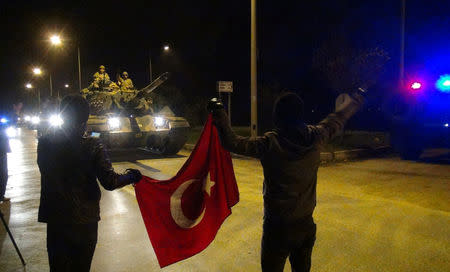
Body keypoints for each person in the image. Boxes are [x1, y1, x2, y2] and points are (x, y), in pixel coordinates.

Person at [208, 88, 366, 272]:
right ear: (300, 114)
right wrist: (357, 99)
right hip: (305, 225)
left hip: (277, 229)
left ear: (277, 117)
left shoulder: (269, 144)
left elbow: (231, 142)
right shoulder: (316, 136)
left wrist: (219, 112)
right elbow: (338, 118)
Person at [37, 94, 142, 272]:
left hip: (56, 219)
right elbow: (110, 181)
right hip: (84, 219)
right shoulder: (93, 144)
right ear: (85, 119)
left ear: (62, 115)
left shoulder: (45, 143)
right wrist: (131, 176)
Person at [0, 123, 11, 202]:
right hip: (1, 152)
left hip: (2, 152)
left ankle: (1, 195)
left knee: (4, 175)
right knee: (3, 175)